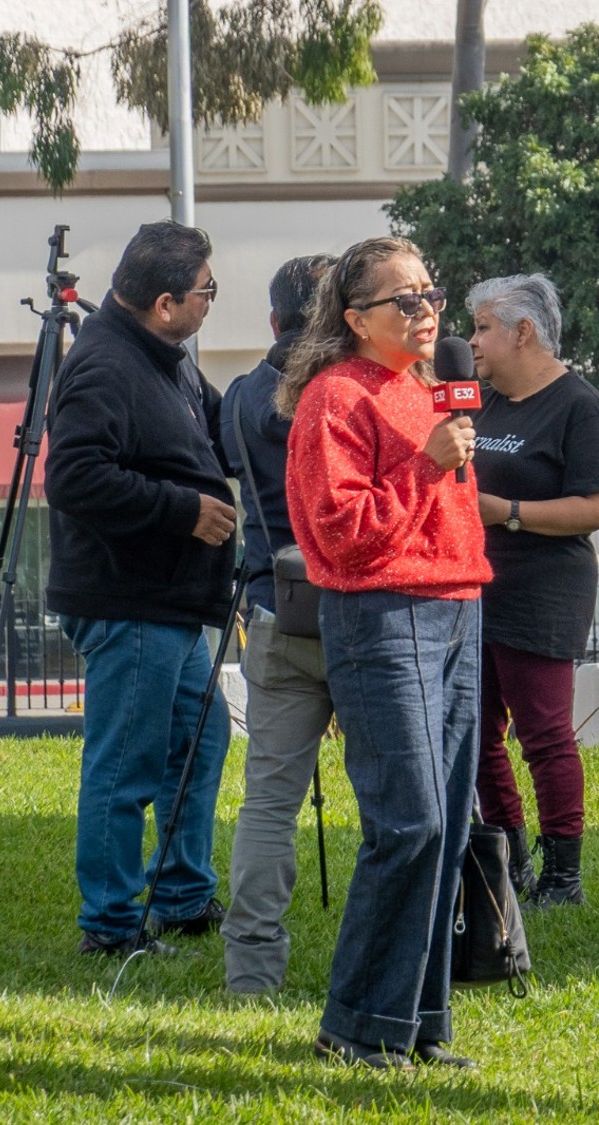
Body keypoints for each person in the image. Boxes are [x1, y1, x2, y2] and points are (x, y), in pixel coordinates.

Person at [280, 236, 492, 1069]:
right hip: (382, 615)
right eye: (403, 299)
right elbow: (338, 533)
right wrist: (423, 465)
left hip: (456, 609)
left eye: (430, 293)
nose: (425, 309)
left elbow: (449, 512)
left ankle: (419, 1019)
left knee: (442, 828)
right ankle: (357, 1024)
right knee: (409, 821)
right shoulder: (333, 399)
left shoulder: (424, 391)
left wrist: (435, 457)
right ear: (354, 317)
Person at [44, 220, 236, 957]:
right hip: (127, 600)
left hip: (171, 604)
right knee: (127, 762)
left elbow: (221, 428)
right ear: (164, 303)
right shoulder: (102, 365)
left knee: (199, 736)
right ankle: (111, 924)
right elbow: (74, 477)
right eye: (205, 292)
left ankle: (183, 895)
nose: (209, 302)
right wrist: (183, 509)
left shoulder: (167, 358)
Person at [466, 273, 599, 906]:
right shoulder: (482, 400)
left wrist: (508, 511)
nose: (470, 341)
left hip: (543, 591)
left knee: (544, 734)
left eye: (482, 328)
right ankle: (510, 861)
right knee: (475, 733)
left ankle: (563, 878)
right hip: (477, 588)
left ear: (522, 332)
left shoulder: (578, 407)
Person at [218, 254, 340, 994]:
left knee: (268, 798)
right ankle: (411, 959)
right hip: (360, 612)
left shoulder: (239, 397)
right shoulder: (343, 395)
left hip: (273, 608)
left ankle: (251, 970)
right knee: (402, 795)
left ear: (272, 321)